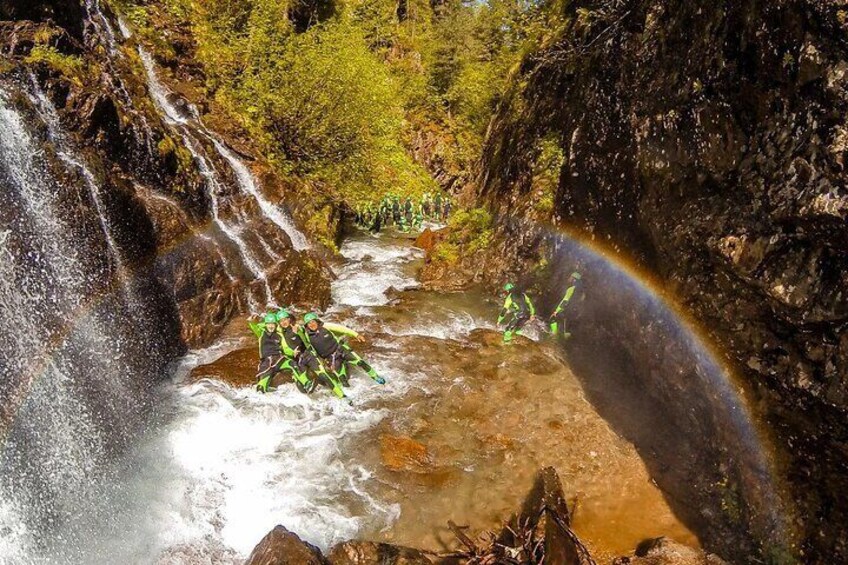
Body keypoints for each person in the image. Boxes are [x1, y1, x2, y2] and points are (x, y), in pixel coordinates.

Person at [275, 309, 348, 400]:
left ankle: (342, 396)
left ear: (289, 319)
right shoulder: (279, 332)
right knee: (303, 389)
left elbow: (305, 333)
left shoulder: (297, 328)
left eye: (285, 319)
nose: (284, 322)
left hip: (308, 355)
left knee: (323, 376)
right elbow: (283, 347)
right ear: (279, 323)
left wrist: (298, 330)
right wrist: (291, 352)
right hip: (298, 361)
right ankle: (316, 389)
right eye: (281, 321)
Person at [301, 312, 386, 386]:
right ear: (307, 326)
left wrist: (356, 335)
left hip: (341, 350)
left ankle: (375, 376)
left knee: (360, 363)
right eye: (309, 323)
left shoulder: (325, 326)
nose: (312, 324)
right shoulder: (306, 335)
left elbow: (342, 329)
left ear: (317, 321)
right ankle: (349, 395)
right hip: (330, 359)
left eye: (313, 321)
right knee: (342, 380)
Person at [249, 313, 285, 392]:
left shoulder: (279, 334)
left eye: (273, 324)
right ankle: (261, 389)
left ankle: (306, 383)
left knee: (293, 365)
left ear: (276, 325)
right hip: (267, 360)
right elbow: (253, 325)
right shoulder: (261, 333)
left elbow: (285, 347)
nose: (271, 326)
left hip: (279, 358)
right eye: (269, 324)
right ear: (265, 325)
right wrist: (253, 321)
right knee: (265, 373)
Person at [549, 272, 583, 339]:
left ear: (574, 279)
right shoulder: (581, 291)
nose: (569, 278)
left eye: (571, 277)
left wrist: (556, 311)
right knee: (568, 329)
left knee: (553, 319)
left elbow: (565, 300)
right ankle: (568, 343)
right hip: (575, 312)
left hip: (568, 311)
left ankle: (553, 337)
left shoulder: (571, 289)